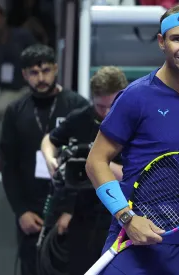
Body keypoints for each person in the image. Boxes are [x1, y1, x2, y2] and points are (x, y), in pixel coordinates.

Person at [85, 3, 179, 274]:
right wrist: (127, 218)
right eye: (176, 38)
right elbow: (95, 162)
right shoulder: (135, 97)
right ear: (162, 42)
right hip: (133, 236)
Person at [0, 44, 89, 275]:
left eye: (46, 70)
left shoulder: (77, 106)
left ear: (56, 69)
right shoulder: (15, 111)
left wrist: (70, 210)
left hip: (68, 210)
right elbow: (9, 167)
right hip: (30, 211)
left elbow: (86, 164)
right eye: (34, 73)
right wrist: (20, 212)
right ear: (24, 75)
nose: (41, 78)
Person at [40, 66, 128, 275]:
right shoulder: (80, 118)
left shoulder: (134, 123)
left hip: (119, 210)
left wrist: (97, 163)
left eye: (112, 105)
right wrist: (50, 159)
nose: (106, 112)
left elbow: (134, 174)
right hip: (81, 210)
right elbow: (49, 140)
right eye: (100, 106)